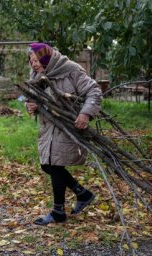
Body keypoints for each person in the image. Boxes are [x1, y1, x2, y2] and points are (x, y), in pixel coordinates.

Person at [25, 43, 102, 225]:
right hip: (48, 129)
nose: (33, 64)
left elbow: (94, 91)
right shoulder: (37, 75)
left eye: (36, 60)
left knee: (56, 165)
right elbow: (32, 98)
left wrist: (85, 113)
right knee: (47, 165)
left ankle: (58, 212)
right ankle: (83, 194)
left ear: (46, 57)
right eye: (31, 61)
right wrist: (31, 106)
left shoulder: (71, 70)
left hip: (68, 126)